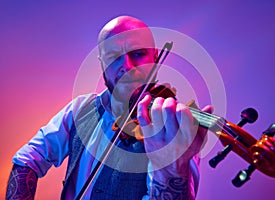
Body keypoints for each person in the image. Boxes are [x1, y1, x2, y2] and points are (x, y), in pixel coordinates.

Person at [6, 15, 212, 200]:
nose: (128, 66)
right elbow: (27, 160)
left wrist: (170, 169)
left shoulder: (174, 127)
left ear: (155, 58)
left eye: (138, 54)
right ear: (102, 63)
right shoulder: (80, 109)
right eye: (113, 57)